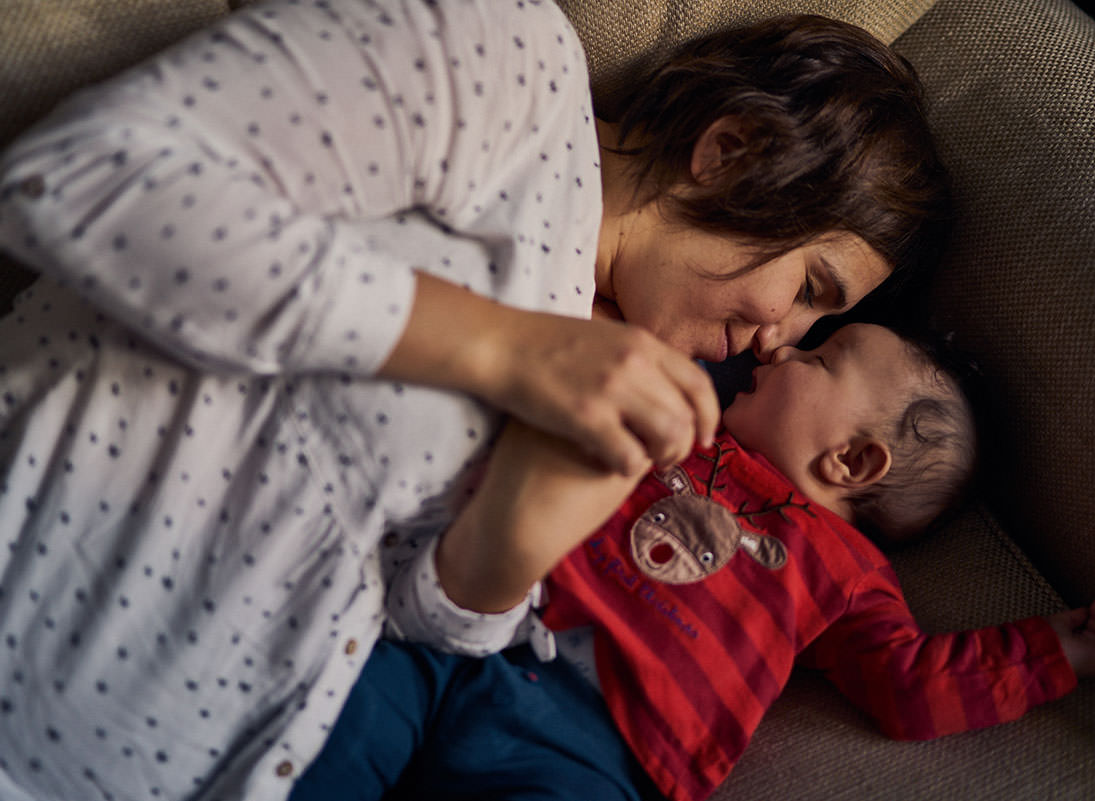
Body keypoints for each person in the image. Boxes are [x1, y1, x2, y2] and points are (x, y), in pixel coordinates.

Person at [0, 2, 948, 800]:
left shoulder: (628, 380)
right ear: (734, 154)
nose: (788, 338)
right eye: (814, 285)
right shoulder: (507, 64)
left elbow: (417, 626)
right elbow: (81, 176)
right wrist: (506, 349)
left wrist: (512, 537)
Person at [292, 323, 1095, 801]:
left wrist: (1047, 653)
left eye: (817, 358)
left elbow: (911, 684)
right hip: (470, 621)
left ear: (852, 461)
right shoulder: (688, 415)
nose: (779, 352)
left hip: (603, 744)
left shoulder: (848, 574)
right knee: (326, 732)